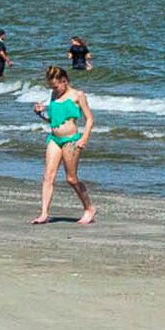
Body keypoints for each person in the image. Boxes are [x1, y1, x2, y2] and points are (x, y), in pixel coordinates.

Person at [35, 65, 100, 224]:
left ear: (64, 81)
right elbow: (53, 120)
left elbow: (90, 119)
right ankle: (44, 213)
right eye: (52, 87)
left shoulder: (78, 95)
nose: (54, 89)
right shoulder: (54, 95)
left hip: (71, 140)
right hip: (54, 139)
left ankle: (89, 208)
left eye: (56, 86)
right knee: (48, 176)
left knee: (71, 179)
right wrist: (40, 113)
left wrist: (84, 138)